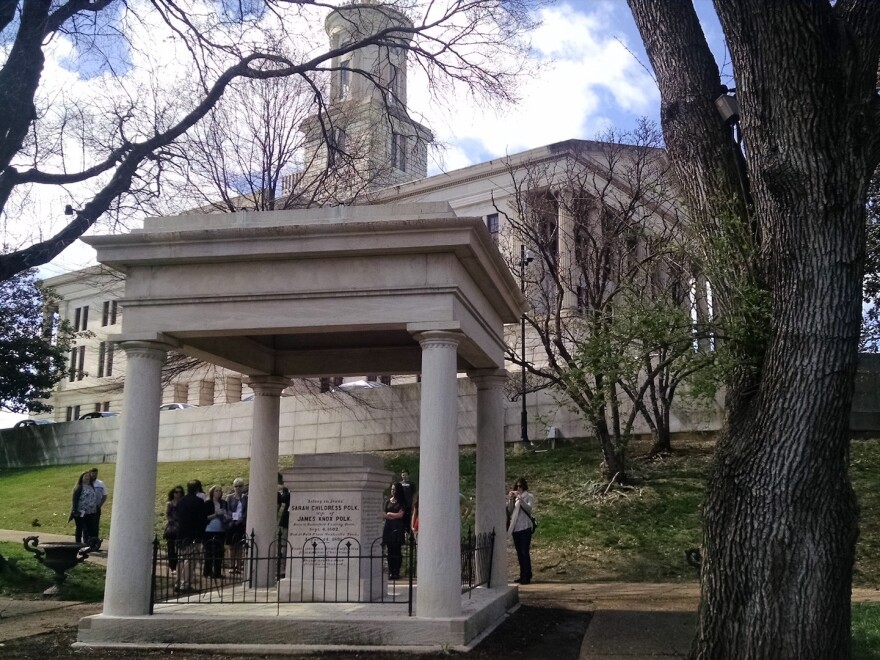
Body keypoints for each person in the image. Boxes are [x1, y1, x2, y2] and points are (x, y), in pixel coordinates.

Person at [174, 480, 208, 592]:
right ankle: (186, 584)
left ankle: (177, 582)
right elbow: (202, 520)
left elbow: (177, 518)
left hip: (181, 534)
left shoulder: (180, 501)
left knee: (180, 559)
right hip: (193, 535)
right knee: (190, 560)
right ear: (198, 489)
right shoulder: (199, 502)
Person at [507, 477, 536, 585]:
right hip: (516, 528)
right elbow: (510, 511)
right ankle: (522, 574)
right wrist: (511, 499)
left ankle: (527, 575)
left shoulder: (529, 497)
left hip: (525, 527)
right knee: (519, 553)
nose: (519, 488)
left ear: (524, 486)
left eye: (521, 486)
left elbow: (529, 509)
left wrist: (521, 500)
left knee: (524, 552)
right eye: (517, 486)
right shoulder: (515, 498)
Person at [68, 471, 99, 548]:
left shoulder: (91, 486)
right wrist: (75, 511)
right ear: (81, 478)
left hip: (90, 512)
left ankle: (89, 544)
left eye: (88, 476)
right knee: (80, 528)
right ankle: (78, 544)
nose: (87, 477)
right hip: (80, 512)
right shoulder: (79, 487)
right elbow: (75, 500)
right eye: (85, 476)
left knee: (90, 528)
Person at [382, 482, 407, 580]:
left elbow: (401, 515)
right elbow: (384, 514)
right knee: (390, 550)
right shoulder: (387, 502)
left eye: (395, 489)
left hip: (397, 527)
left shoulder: (401, 502)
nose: (393, 491)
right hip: (388, 527)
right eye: (392, 489)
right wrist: (391, 515)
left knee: (397, 550)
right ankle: (391, 571)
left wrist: (390, 514)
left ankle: (396, 572)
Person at [203, 485, 229, 579]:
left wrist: (225, 515)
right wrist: (216, 514)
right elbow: (204, 517)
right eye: (216, 491)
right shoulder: (207, 503)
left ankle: (217, 572)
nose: (218, 492)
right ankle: (207, 572)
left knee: (219, 552)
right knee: (209, 552)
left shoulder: (224, 503)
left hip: (221, 530)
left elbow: (227, 515)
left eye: (220, 491)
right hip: (209, 530)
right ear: (212, 492)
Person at [226, 477, 248, 574]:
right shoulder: (230, 497)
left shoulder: (246, 498)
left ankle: (238, 566)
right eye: (236, 486)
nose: (238, 488)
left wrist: (241, 519)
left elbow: (246, 510)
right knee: (231, 546)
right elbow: (228, 509)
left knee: (239, 546)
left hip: (241, 524)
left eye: (240, 486)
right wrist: (233, 518)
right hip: (232, 523)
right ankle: (231, 565)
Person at [164, 486, 184, 572]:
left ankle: (180, 566)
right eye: (176, 492)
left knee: (180, 548)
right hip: (172, 527)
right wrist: (175, 522)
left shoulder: (183, 503)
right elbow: (168, 516)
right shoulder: (170, 503)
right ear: (173, 493)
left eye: (180, 492)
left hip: (181, 527)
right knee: (171, 548)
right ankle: (172, 566)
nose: (178, 494)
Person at [89, 467, 108, 545]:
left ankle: (94, 543)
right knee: (87, 526)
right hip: (87, 509)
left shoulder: (100, 483)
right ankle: (87, 542)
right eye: (93, 473)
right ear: (90, 473)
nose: (94, 475)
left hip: (96, 508)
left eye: (96, 473)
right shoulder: (86, 482)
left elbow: (105, 495)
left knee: (95, 525)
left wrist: (100, 505)